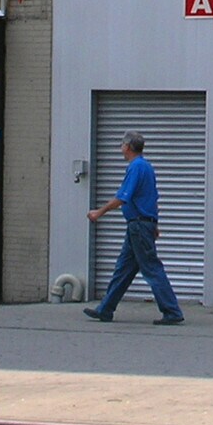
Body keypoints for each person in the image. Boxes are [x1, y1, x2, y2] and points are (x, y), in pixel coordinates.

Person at [84, 131, 185, 325]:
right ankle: (105, 309)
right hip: (140, 225)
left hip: (138, 225)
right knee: (123, 269)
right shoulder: (147, 167)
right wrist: (154, 223)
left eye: (122, 145)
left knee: (152, 268)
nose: (121, 149)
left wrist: (99, 212)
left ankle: (172, 311)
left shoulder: (136, 167)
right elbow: (153, 198)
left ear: (128, 147)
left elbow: (123, 197)